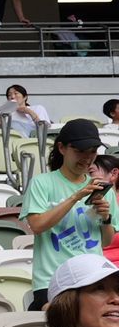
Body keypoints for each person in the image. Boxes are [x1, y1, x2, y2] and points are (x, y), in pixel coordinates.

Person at [23, 118, 116, 307]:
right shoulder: (42, 183)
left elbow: (106, 241)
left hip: (93, 276)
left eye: (92, 151)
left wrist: (105, 218)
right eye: (80, 151)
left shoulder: (102, 188)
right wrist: (75, 197)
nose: (87, 158)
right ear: (62, 148)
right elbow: (37, 225)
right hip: (51, 280)